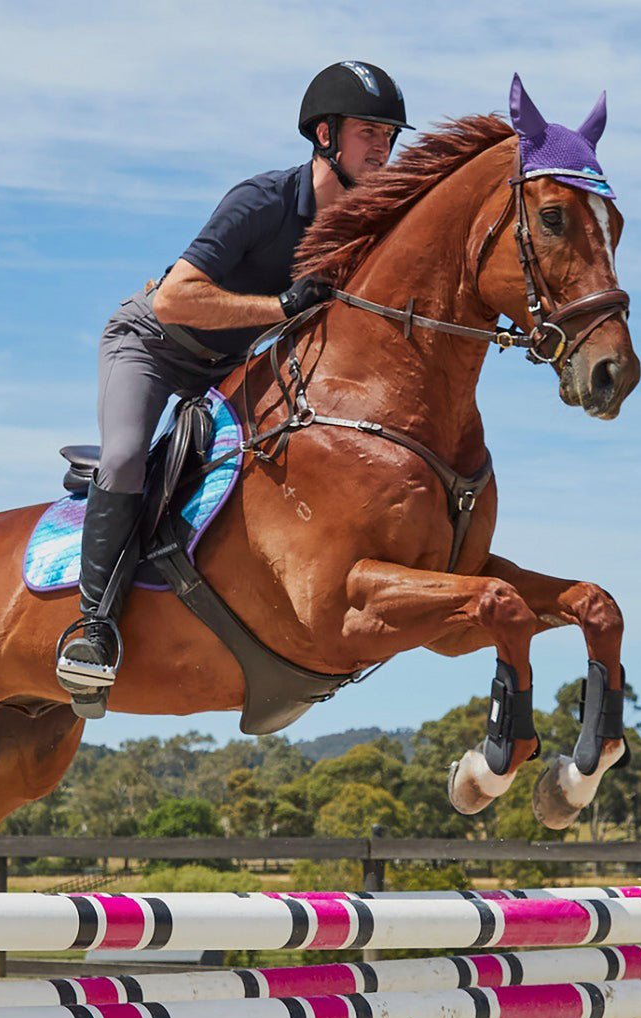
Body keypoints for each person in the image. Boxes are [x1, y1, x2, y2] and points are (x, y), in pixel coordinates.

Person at [56, 61, 412, 718]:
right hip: (156, 346)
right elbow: (174, 298)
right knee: (129, 454)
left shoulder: (366, 229)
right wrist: (279, 307)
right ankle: (93, 633)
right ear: (326, 134)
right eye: (369, 132)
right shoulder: (264, 201)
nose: (383, 148)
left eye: (390, 135)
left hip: (235, 370)